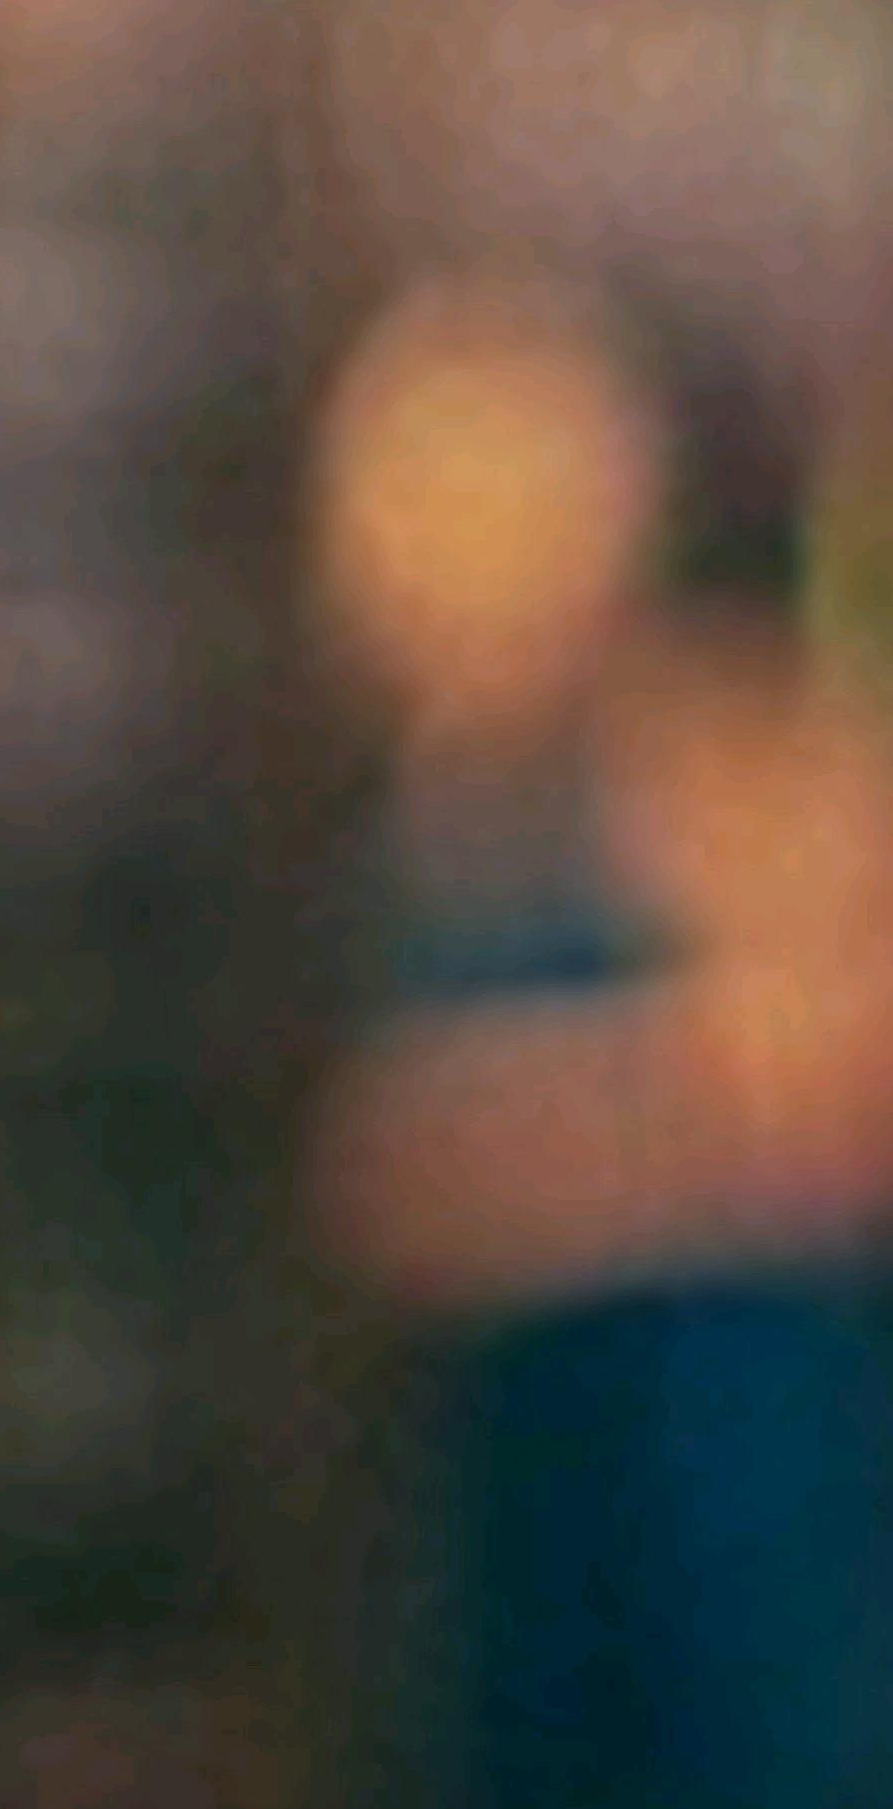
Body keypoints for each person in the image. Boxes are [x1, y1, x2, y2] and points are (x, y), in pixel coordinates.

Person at [306, 277, 893, 1809]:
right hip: (532, 1500)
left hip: (739, 1485)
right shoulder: (441, 802)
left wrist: (504, 1145)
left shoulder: (722, 747)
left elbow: (832, 1098)